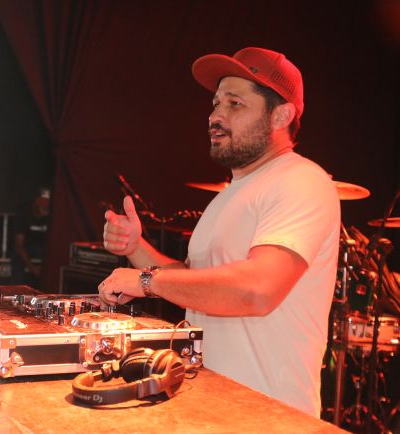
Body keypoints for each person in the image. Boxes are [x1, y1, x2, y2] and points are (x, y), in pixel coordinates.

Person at [98, 47, 340, 417]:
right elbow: (197, 282)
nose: (214, 116)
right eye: (215, 104)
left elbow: (257, 289)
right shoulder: (231, 194)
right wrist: (136, 247)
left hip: (269, 417)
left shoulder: (301, 180)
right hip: (215, 406)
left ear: (281, 115)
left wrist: (146, 281)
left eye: (235, 104)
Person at [11, 188, 51, 288]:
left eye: (48, 204)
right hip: (25, 247)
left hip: (43, 248)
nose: (45, 207)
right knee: (16, 257)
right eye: (43, 204)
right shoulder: (24, 212)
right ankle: (17, 290)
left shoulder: (52, 214)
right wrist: (32, 268)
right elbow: (19, 246)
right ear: (36, 202)